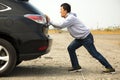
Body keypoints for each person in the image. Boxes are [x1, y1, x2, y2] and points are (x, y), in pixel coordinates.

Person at [46, 3, 115, 73]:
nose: (60, 11)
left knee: (94, 54)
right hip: (80, 39)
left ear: (65, 10)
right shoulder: (69, 17)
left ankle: (109, 68)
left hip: (86, 38)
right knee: (71, 48)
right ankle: (76, 67)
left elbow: (60, 25)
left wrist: (50, 21)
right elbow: (59, 25)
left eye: (61, 10)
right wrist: (48, 23)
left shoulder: (70, 18)